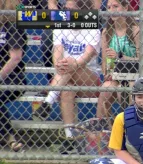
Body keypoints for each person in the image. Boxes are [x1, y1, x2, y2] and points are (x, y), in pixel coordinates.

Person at [32, 0, 101, 153]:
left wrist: (70, 64)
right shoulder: (61, 25)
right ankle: (70, 137)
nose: (66, 12)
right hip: (64, 78)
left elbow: (87, 57)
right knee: (67, 90)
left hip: (88, 80)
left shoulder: (93, 28)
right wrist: (58, 64)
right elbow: (56, 53)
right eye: (65, 9)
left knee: (72, 64)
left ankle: (48, 100)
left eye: (71, 9)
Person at [96, 0, 140, 119]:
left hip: (132, 74)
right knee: (105, 89)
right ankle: (101, 126)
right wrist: (107, 72)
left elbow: (142, 59)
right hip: (115, 75)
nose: (112, 10)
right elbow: (104, 62)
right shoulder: (106, 32)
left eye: (116, 6)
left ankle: (129, 125)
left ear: (125, 8)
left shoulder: (135, 30)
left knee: (125, 90)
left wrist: (119, 57)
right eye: (109, 7)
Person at [0, 0, 27, 152]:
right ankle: (10, 138)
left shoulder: (14, 27)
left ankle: (10, 138)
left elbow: (15, 57)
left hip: (13, 78)